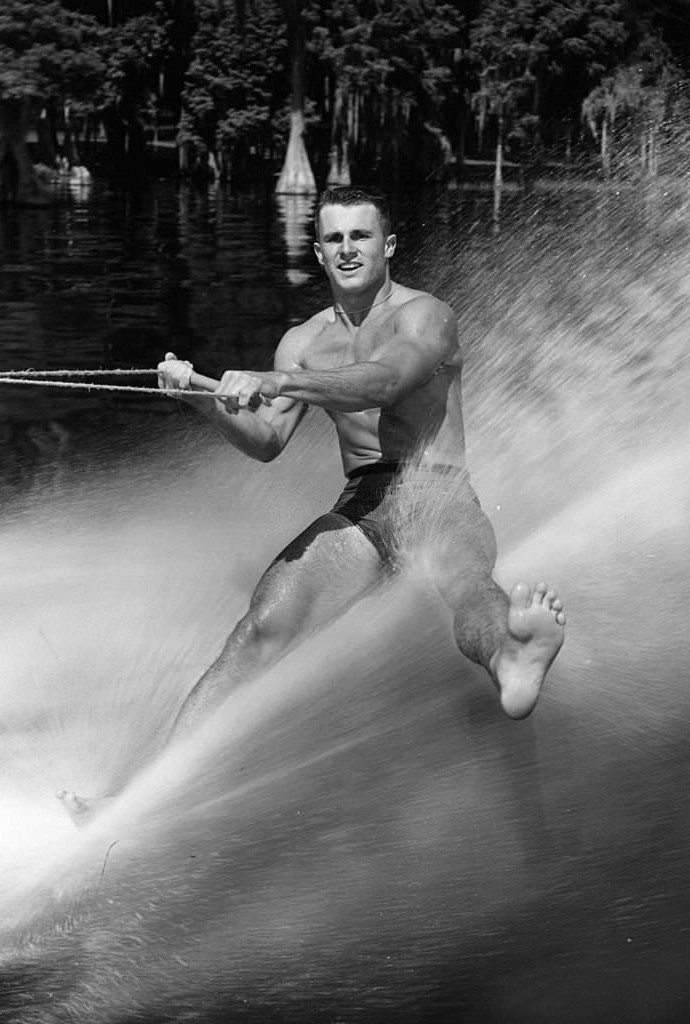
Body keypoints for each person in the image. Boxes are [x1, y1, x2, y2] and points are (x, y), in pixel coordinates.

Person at [59, 185, 564, 819]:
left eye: (360, 235)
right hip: (362, 504)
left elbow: (385, 381)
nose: (348, 248)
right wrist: (199, 399)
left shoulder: (425, 316)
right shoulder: (301, 342)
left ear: (388, 245)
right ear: (319, 254)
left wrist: (278, 381)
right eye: (334, 238)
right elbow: (267, 439)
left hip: (434, 487)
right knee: (258, 631)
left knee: (465, 582)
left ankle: (510, 656)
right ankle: (144, 799)